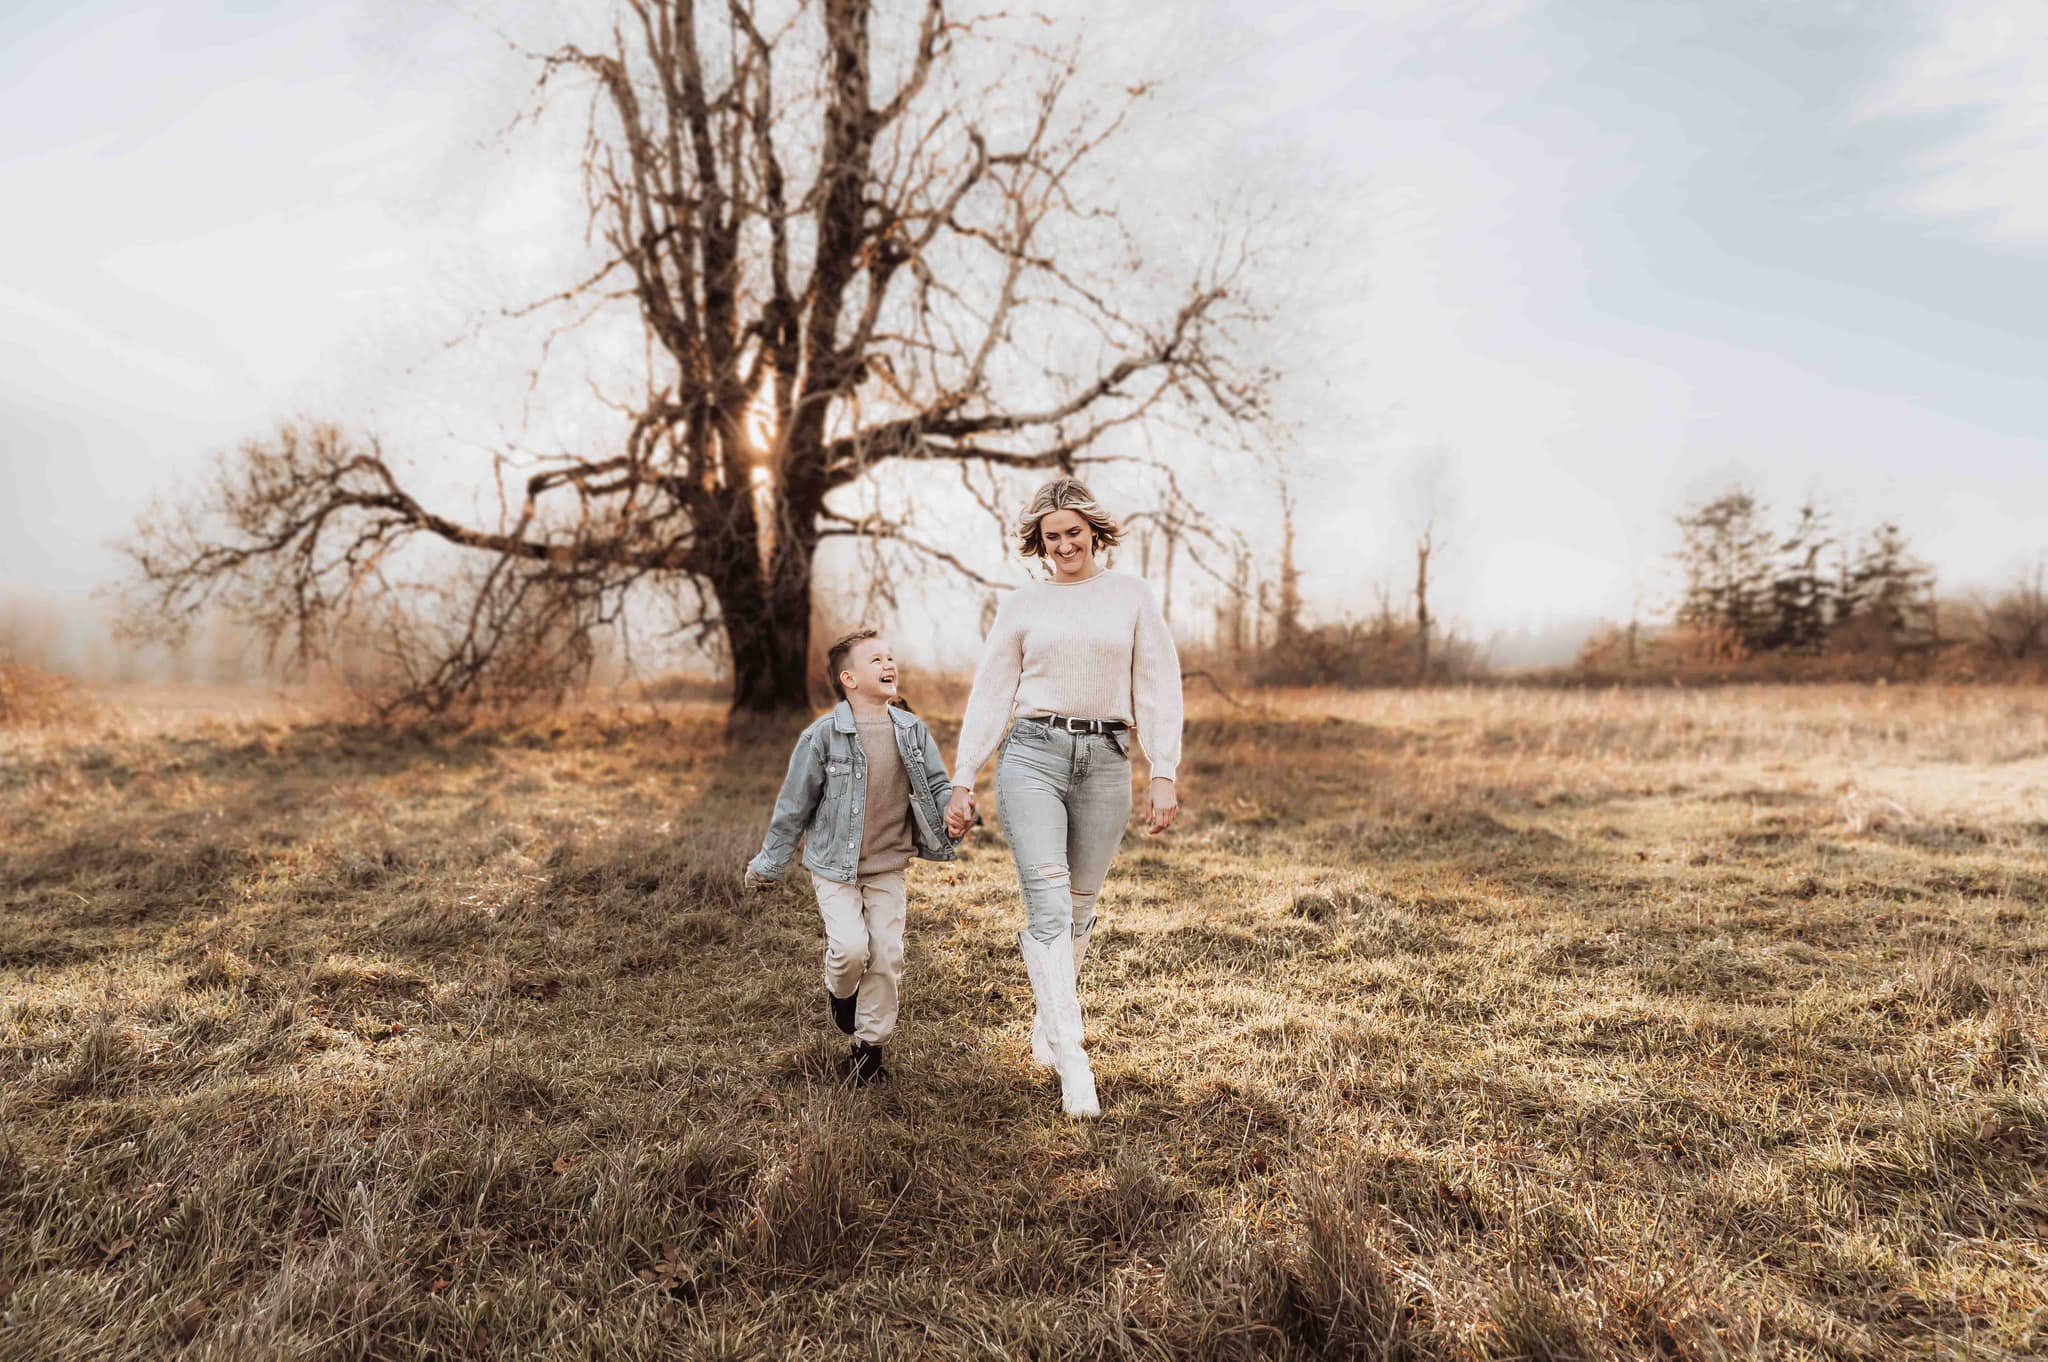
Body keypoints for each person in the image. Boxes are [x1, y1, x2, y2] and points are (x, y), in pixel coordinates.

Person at [946, 477, 1183, 1118]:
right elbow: (993, 688)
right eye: (1051, 538)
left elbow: (1158, 681)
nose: (1063, 546)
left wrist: (1163, 767)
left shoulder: (1131, 596)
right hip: (1032, 757)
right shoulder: (1023, 604)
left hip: (1107, 760)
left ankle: (1047, 1025)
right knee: (1048, 908)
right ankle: (1075, 1061)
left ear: (1095, 532)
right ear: (1038, 542)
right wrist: (965, 773)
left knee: (1079, 910)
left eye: (1073, 534)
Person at [745, 630, 960, 1085]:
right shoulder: (822, 736)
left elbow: (938, 785)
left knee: (885, 954)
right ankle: (840, 992)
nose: (889, 665)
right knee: (850, 950)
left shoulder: (912, 731)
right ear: (849, 678)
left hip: (888, 864)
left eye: (891, 657)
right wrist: (770, 863)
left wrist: (954, 810)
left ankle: (868, 1052)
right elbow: (794, 805)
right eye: (876, 659)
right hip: (834, 868)